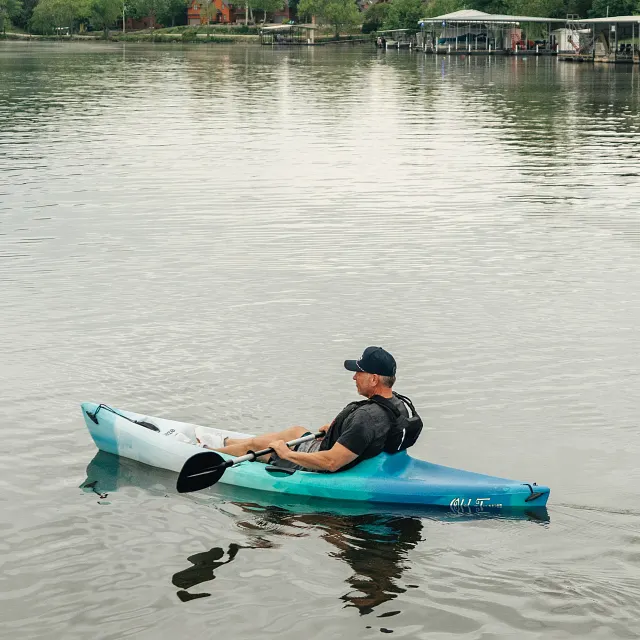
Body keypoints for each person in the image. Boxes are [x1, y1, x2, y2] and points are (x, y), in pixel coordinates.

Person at [207, 346, 408, 472]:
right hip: (347, 452)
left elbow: (331, 463)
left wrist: (287, 455)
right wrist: (341, 430)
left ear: (373, 379)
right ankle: (228, 441)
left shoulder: (366, 418)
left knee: (259, 446)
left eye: (359, 372)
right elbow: (371, 434)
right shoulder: (397, 403)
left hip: (322, 463)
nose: (354, 377)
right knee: (295, 431)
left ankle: (205, 453)